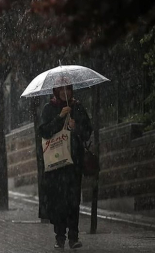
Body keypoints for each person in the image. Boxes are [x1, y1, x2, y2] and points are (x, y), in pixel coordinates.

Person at [38, 84, 92, 250]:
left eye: (67, 89)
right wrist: (60, 118)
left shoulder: (77, 107)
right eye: (61, 89)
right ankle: (60, 236)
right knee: (59, 202)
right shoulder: (49, 108)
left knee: (73, 200)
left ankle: (73, 237)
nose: (64, 92)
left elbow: (88, 132)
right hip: (56, 164)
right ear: (56, 91)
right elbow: (44, 131)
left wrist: (77, 128)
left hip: (73, 163)